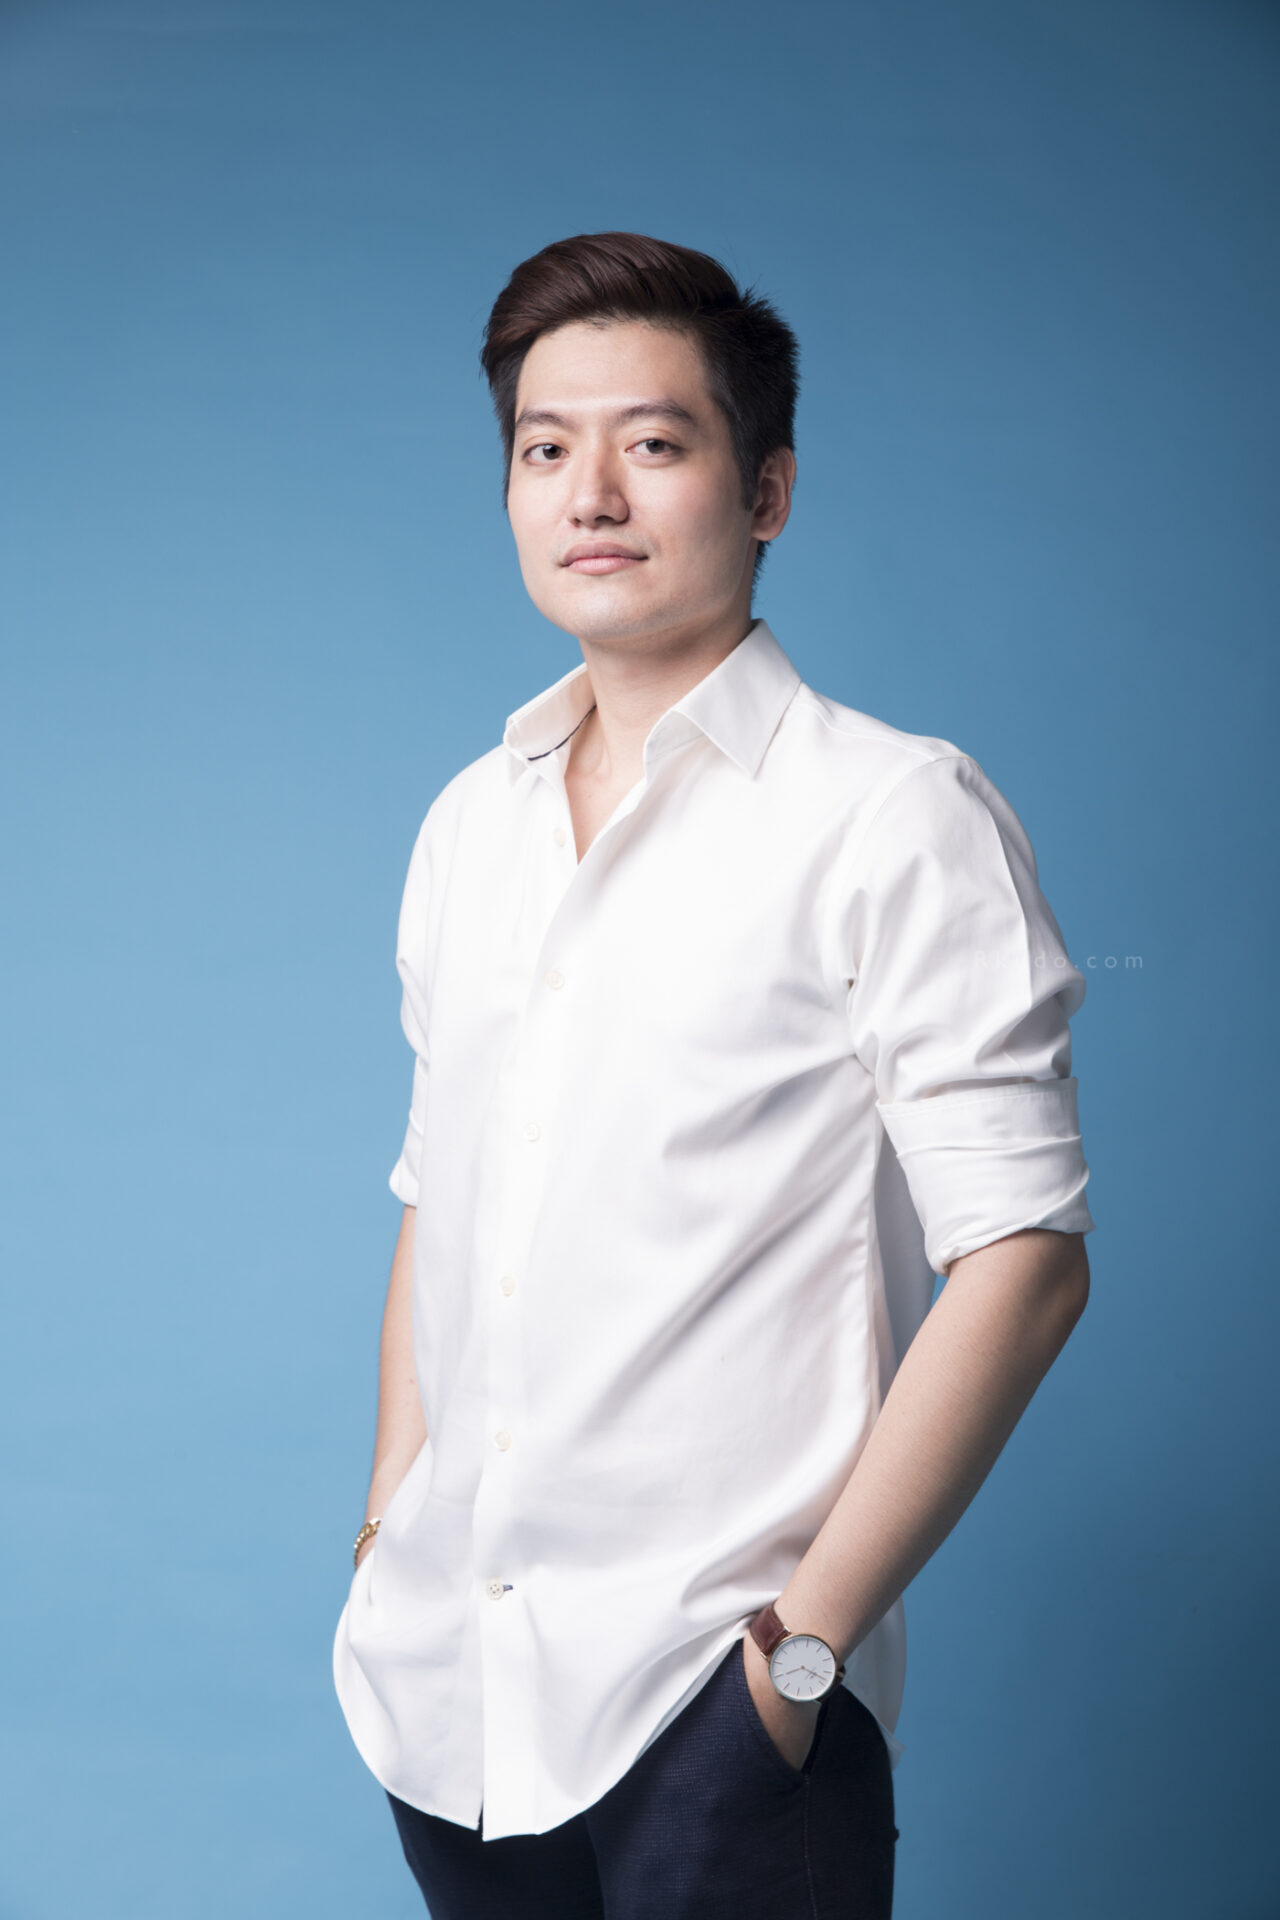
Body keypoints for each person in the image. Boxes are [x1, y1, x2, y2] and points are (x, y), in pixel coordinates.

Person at [332, 230, 1096, 1920]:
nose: (591, 494)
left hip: (719, 1702)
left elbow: (1027, 1260)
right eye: (546, 448)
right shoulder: (471, 824)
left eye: (655, 442)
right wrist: (389, 1527)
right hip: (455, 1696)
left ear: (768, 492)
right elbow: (442, 1194)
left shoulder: (891, 816)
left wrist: (800, 1655)